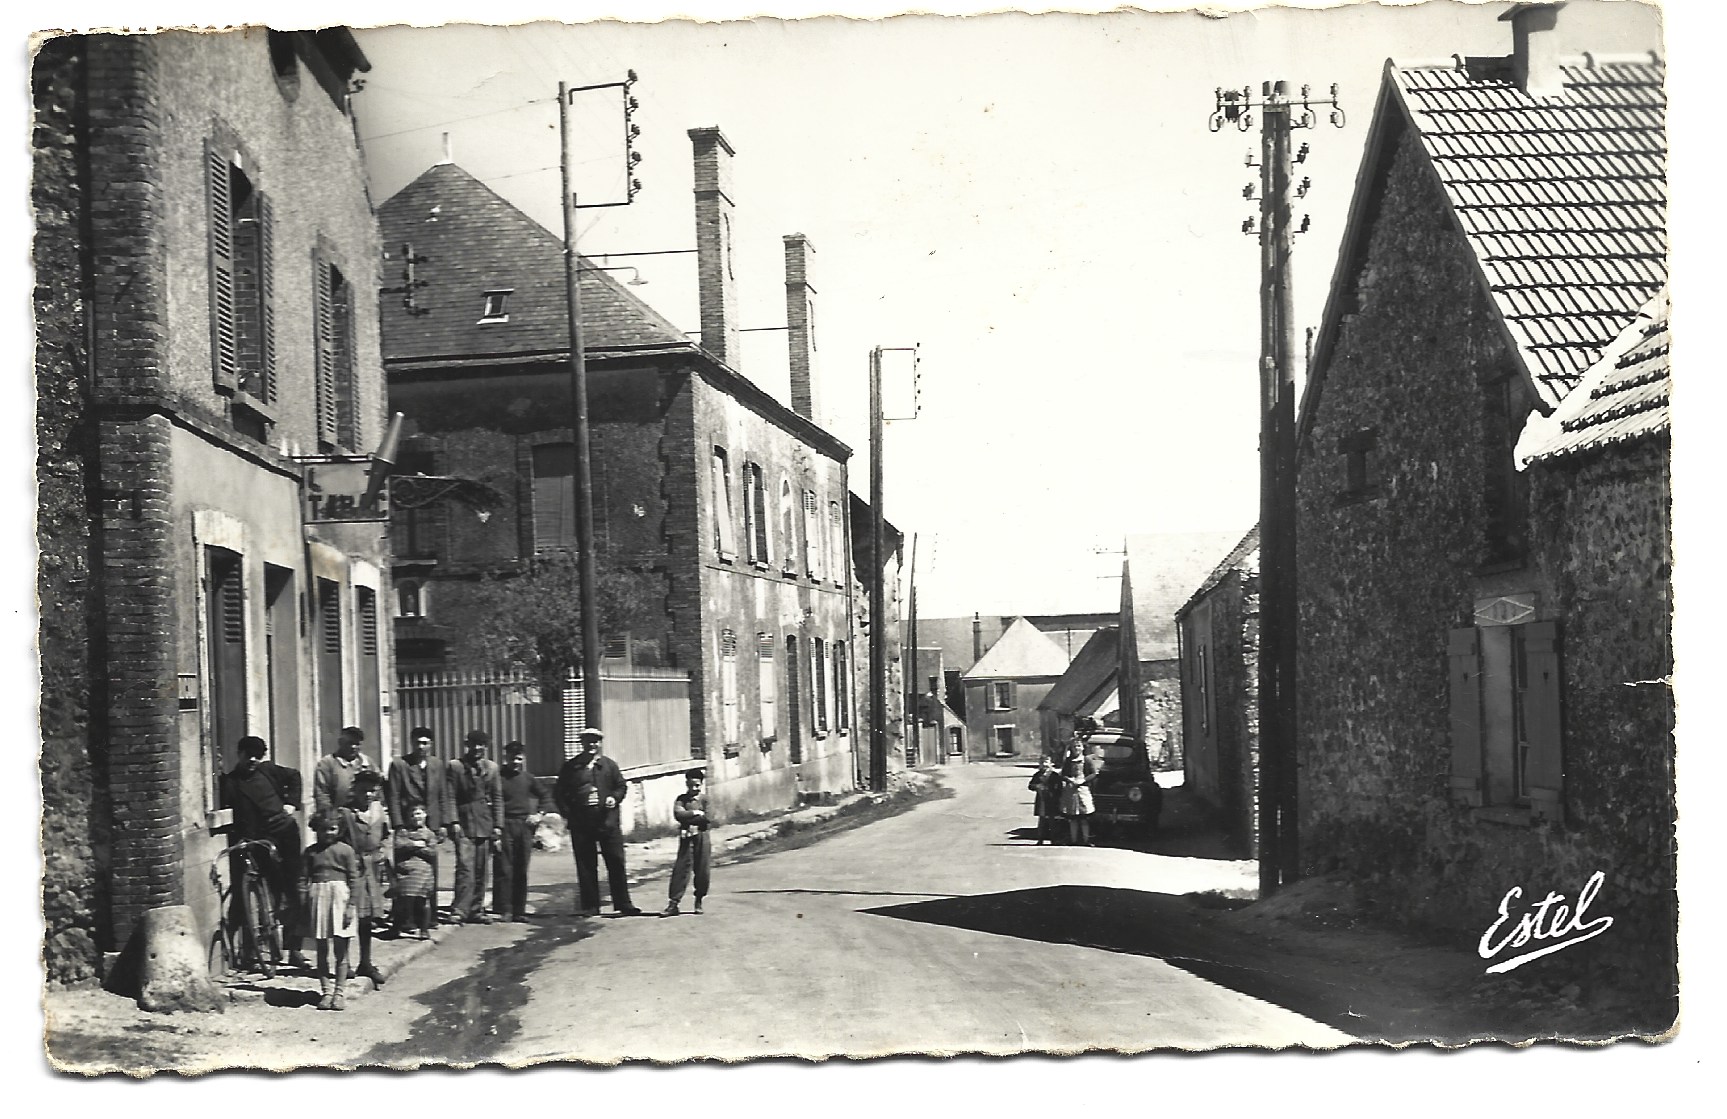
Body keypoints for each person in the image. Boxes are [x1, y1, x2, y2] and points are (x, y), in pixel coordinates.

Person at [219, 736, 312, 969]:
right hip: (260, 839)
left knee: (294, 890)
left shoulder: (269, 771)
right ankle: (252, 949)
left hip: (286, 833)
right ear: (238, 754)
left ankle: (295, 949)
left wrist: (292, 803)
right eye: (247, 754)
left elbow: (295, 776)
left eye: (257, 755)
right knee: (263, 889)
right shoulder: (231, 782)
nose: (252, 759)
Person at [554, 727, 641, 917]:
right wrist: (569, 813)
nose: (591, 745)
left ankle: (623, 904)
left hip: (607, 821)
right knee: (586, 864)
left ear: (600, 743)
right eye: (587, 741)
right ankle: (590, 905)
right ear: (582, 743)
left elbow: (621, 786)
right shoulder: (571, 767)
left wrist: (614, 798)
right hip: (582, 823)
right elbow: (559, 793)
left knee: (616, 861)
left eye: (595, 741)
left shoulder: (609, 766)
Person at [387, 726, 456, 920]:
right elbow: (392, 796)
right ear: (411, 743)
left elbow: (443, 794)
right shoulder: (400, 765)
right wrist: (399, 826)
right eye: (417, 743)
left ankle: (428, 917)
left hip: (430, 825)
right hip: (407, 825)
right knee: (406, 871)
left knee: (428, 871)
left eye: (425, 743)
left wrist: (443, 823)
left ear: (431, 745)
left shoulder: (437, 764)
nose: (421, 747)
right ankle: (406, 918)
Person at [301, 810, 359, 1011]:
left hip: (340, 897)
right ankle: (326, 992)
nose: (328, 833)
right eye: (323, 829)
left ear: (339, 829)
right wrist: (304, 902)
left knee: (341, 949)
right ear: (316, 829)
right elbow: (302, 879)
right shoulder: (310, 853)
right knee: (322, 949)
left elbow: (354, 879)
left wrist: (351, 905)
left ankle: (340, 993)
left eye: (332, 829)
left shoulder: (346, 851)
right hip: (318, 896)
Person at [494, 741, 556, 923]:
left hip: (524, 826)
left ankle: (519, 910)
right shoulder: (498, 777)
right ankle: (504, 909)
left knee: (521, 868)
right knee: (504, 868)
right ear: (505, 758)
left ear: (524, 758)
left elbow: (545, 795)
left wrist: (539, 815)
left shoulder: (528, 778)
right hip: (504, 824)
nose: (516, 762)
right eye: (512, 758)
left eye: (519, 758)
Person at [339, 770, 391, 989]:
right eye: (364, 790)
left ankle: (366, 962)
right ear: (355, 789)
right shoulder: (346, 814)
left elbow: (386, 836)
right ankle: (345, 962)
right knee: (351, 916)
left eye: (372, 790)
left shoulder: (379, 811)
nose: (368, 794)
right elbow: (338, 841)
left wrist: (384, 857)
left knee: (368, 918)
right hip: (354, 868)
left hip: (374, 868)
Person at [448, 729, 503, 924]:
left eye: (482, 745)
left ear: (486, 747)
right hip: (464, 823)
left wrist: (498, 826)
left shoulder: (492, 768)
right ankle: (459, 910)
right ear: (467, 745)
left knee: (481, 869)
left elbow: (497, 797)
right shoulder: (455, 766)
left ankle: (477, 909)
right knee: (465, 868)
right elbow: (450, 795)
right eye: (473, 744)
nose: (477, 748)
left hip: (484, 823)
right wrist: (453, 821)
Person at [660, 769, 711, 917]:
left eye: (697, 785)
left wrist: (688, 819)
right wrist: (695, 813)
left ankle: (699, 900)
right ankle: (673, 903)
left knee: (702, 870)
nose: (693, 789)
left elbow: (707, 818)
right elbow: (678, 814)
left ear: (701, 784)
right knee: (681, 869)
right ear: (686, 784)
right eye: (690, 785)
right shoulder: (681, 799)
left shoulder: (706, 800)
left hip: (702, 836)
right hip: (686, 837)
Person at [391, 804, 439, 939]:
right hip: (406, 869)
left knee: (423, 901)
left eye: (418, 814)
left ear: (425, 815)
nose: (415, 817)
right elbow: (398, 846)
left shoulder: (429, 833)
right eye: (412, 815)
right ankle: (396, 928)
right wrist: (415, 844)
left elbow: (432, 852)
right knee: (402, 901)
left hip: (423, 870)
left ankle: (424, 930)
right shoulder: (403, 832)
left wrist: (417, 848)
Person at [313, 726, 373, 819]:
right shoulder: (327, 763)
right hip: (338, 818)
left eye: (357, 744)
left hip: (364, 818)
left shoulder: (368, 763)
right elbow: (322, 794)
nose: (353, 747)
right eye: (349, 743)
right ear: (340, 742)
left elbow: (378, 788)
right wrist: (329, 818)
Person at [1060, 735, 1098, 847]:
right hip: (1071, 790)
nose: (1076, 748)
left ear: (1082, 748)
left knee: (1084, 817)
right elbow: (1063, 774)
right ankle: (1073, 840)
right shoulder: (1068, 761)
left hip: (1083, 790)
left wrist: (1083, 780)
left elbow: (1093, 773)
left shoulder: (1087, 760)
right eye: (1074, 746)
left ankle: (1086, 840)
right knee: (1073, 817)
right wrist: (1069, 779)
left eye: (1078, 746)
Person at [1027, 755, 1061, 846]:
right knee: (1041, 820)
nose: (1044, 764)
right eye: (1042, 762)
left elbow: (1059, 787)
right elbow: (1030, 786)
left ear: (1051, 764)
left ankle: (1054, 839)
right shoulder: (1037, 775)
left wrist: (1053, 791)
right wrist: (1036, 786)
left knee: (1052, 820)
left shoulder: (1054, 775)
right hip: (1041, 800)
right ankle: (1040, 839)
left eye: (1046, 762)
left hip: (1052, 800)